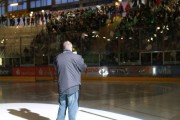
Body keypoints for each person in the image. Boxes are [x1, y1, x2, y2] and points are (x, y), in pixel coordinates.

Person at [54, 41, 87, 120]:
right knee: (72, 109)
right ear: (71, 48)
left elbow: (56, 68)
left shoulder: (57, 58)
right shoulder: (77, 57)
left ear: (63, 48)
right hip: (73, 87)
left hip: (62, 87)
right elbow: (84, 68)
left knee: (62, 107)